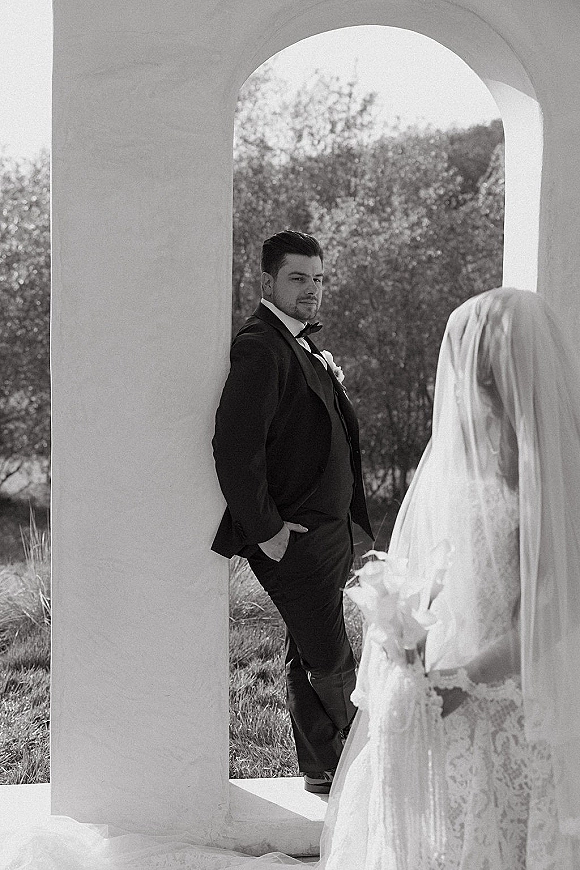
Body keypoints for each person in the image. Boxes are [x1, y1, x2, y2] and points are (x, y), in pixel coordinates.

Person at [318, 286, 580, 869]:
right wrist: (403, 638)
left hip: (507, 691)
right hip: (439, 681)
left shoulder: (552, 471)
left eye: (471, 367)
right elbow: (434, 568)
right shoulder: (458, 455)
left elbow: (555, 610)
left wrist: (466, 677)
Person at [211, 230, 373, 792]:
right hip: (293, 535)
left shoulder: (301, 345)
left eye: (318, 278)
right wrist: (269, 531)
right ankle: (367, 766)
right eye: (298, 278)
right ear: (269, 282)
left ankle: (323, 770)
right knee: (332, 659)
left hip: (325, 532)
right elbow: (235, 447)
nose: (312, 290)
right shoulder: (260, 346)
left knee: (308, 646)